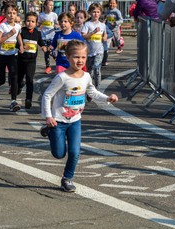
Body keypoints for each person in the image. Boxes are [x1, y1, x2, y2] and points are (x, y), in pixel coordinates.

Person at [41, 40, 118, 192]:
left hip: (75, 120)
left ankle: (67, 178)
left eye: (83, 57)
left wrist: (107, 98)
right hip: (58, 121)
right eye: (76, 57)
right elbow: (47, 95)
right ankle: (49, 131)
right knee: (58, 154)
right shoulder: (62, 77)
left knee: (75, 152)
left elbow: (92, 92)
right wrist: (48, 117)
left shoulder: (86, 76)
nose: (80, 61)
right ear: (68, 57)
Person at [0, 1, 24, 112]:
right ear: (5, 14)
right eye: (9, 13)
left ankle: (13, 101)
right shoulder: (2, 26)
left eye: (14, 13)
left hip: (12, 55)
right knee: (2, 79)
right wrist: (9, 34)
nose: (11, 15)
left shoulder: (18, 26)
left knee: (14, 76)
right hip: (1, 56)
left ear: (16, 15)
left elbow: (18, 35)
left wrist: (22, 46)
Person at [17, 11, 47, 109]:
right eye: (28, 21)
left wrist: (43, 46)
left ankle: (28, 99)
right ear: (25, 21)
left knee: (30, 79)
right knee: (19, 79)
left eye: (33, 21)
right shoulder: (22, 31)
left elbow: (40, 41)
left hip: (31, 61)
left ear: (36, 23)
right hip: (21, 60)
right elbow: (16, 43)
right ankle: (20, 85)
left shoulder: (37, 33)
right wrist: (20, 46)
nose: (30, 23)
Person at [82, 3, 107, 89]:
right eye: (93, 12)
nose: (95, 14)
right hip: (89, 52)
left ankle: (97, 87)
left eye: (97, 12)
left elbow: (105, 34)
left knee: (96, 68)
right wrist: (93, 32)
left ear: (100, 13)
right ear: (90, 13)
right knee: (89, 71)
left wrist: (104, 37)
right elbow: (84, 36)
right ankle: (90, 88)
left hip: (99, 51)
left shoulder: (102, 25)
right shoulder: (87, 24)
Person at [38, 0, 58, 74]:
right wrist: (40, 25)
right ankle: (48, 67)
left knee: (51, 50)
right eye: (50, 5)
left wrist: (56, 26)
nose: (52, 7)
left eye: (53, 5)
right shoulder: (41, 15)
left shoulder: (54, 15)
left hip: (52, 36)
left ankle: (57, 59)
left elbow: (57, 24)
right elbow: (39, 24)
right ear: (45, 6)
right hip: (44, 36)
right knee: (46, 52)